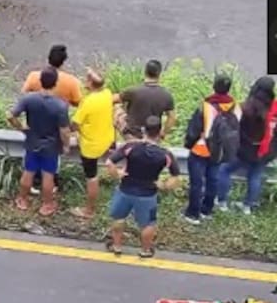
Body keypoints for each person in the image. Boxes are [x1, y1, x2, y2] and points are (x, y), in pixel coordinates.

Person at [105, 116, 181, 258]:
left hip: (125, 190)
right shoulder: (165, 154)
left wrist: (118, 174)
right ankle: (145, 250)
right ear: (159, 132)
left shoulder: (131, 147)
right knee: (148, 224)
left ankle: (116, 246)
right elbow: (176, 178)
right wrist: (163, 185)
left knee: (119, 218)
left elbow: (109, 163)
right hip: (148, 195)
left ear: (144, 130)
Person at [9, 67, 71, 217]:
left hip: (32, 141)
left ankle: (22, 199)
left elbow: (10, 116)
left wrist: (22, 128)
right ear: (55, 83)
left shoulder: (29, 99)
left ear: (40, 81)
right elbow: (64, 130)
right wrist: (66, 145)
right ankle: (46, 205)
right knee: (48, 175)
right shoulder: (60, 106)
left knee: (28, 171)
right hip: (51, 145)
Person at [182, 73, 238, 223]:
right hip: (219, 151)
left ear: (214, 87)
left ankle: (193, 213)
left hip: (201, 149)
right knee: (212, 180)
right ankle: (207, 210)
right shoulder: (234, 106)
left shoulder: (206, 106)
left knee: (197, 183)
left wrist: (188, 144)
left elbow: (194, 130)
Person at [218, 76, 275, 215]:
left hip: (244, 150)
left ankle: (222, 202)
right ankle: (247, 206)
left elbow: (232, 128)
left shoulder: (245, 107)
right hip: (265, 151)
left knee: (224, 170)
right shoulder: (274, 108)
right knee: (255, 176)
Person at [70, 69, 115, 219]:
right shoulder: (107, 93)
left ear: (90, 83)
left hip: (91, 146)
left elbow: (75, 124)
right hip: (106, 140)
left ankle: (88, 211)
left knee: (92, 177)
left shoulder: (88, 102)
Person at [114, 59, 176, 140]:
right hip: (153, 136)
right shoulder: (166, 95)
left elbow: (112, 100)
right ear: (159, 74)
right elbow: (172, 117)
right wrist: (163, 133)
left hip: (133, 135)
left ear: (145, 72)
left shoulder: (132, 91)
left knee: (118, 108)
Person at [21, 44, 82, 108]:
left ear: (48, 58)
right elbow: (78, 103)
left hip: (35, 115)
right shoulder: (72, 81)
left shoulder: (33, 76)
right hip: (59, 115)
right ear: (63, 62)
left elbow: (23, 95)